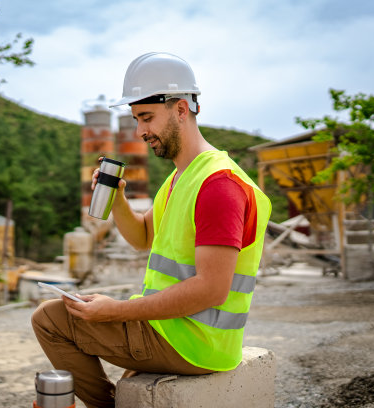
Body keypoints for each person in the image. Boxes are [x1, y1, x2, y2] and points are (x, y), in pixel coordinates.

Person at [32, 52, 271, 408]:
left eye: (146, 118)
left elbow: (212, 289)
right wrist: (117, 200)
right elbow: (143, 237)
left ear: (180, 109)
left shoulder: (218, 185)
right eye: (135, 119)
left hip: (192, 342)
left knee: (50, 319)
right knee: (79, 315)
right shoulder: (182, 177)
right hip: (173, 330)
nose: (140, 131)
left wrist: (116, 311)